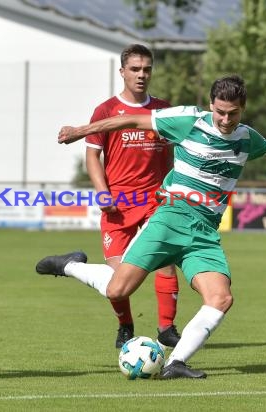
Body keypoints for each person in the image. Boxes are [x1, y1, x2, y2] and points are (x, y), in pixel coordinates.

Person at [36, 75, 266, 379]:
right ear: (211, 105)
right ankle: (70, 265)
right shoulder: (189, 120)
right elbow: (131, 120)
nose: (225, 119)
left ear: (242, 109)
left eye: (232, 113)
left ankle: (176, 362)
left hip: (205, 231)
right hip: (171, 217)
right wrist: (81, 130)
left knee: (221, 298)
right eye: (220, 111)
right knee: (119, 289)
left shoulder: (248, 138)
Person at [83, 44, 180, 349]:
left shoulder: (164, 110)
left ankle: (167, 329)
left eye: (147, 69)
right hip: (119, 204)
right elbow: (92, 156)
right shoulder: (106, 111)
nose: (141, 75)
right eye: (135, 69)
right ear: (122, 71)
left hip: (156, 201)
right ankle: (125, 324)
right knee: (117, 281)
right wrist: (102, 193)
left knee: (165, 263)